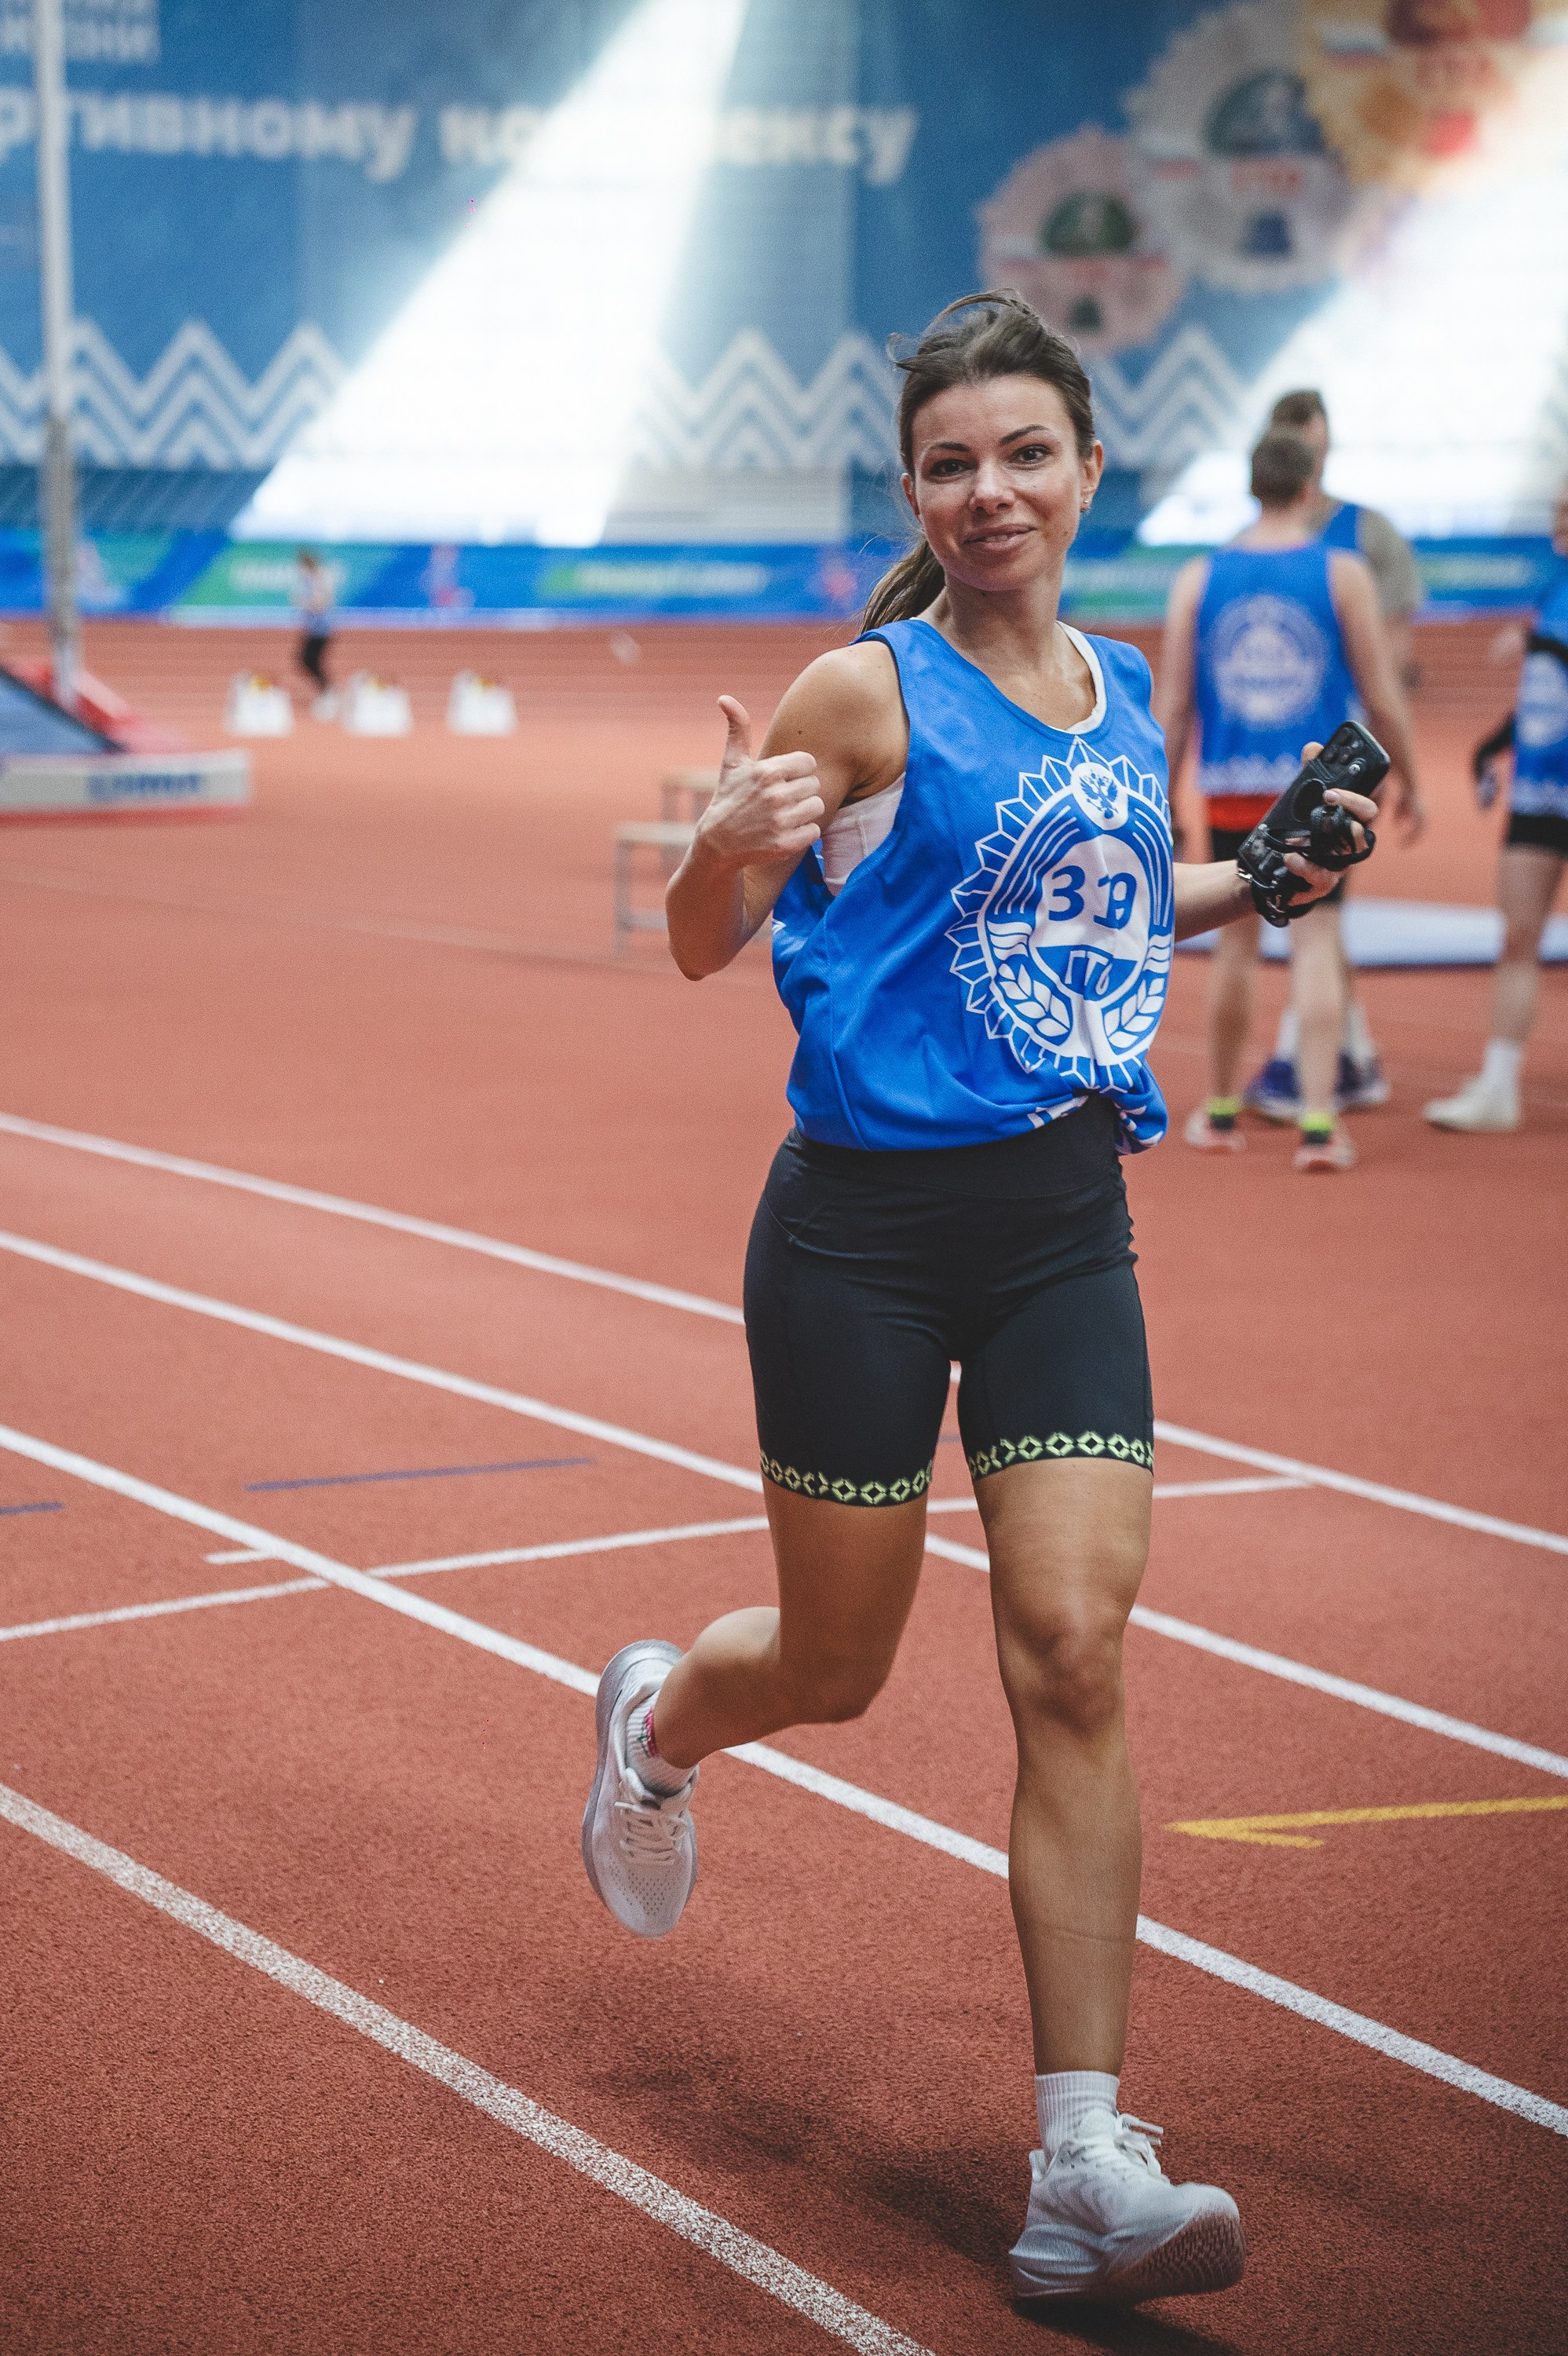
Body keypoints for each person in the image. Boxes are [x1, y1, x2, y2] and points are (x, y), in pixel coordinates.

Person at [579, 291, 1378, 2307]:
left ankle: (1079, 2163)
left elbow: (1098, 900)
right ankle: (658, 1724)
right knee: (834, 1666)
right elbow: (696, 942)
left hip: (1059, 1232)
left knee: (1074, 1651)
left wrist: (1264, 876)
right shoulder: (860, 690)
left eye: (1024, 453)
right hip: (857, 1238)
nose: (989, 489)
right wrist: (718, 845)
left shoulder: (1117, 686)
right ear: (914, 491)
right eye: (950, 463)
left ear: (1087, 469)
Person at [1157, 427, 1422, 1171]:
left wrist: (1160, 800)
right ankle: (1316, 1125)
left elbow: (1173, 705)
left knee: (1234, 943)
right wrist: (1411, 779)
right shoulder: (1342, 573)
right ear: (1311, 488)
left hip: (1228, 786)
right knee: (1316, 939)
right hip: (1317, 790)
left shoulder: (1198, 578)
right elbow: (1381, 693)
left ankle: (1218, 1112)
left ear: (1252, 486)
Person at [1245, 387, 1426, 1117]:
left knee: (1312, 913)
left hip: (1342, 758)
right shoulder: (1248, 546)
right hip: (1260, 758)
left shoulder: (1366, 537)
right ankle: (1350, 1056)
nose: (1302, 454)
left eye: (1309, 441)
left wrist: (1396, 758)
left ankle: (1303, 1062)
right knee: (1307, 915)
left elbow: (1394, 657)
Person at [1426, 477, 1568, 1132]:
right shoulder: (1551, 589)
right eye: (1556, 509)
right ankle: (1498, 1084)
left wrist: (1540, 645)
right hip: (1538, 792)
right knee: (1516, 933)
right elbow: (1546, 695)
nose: (1558, 521)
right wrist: (1493, 745)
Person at [293, 549, 336, 715]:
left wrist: (303, 602)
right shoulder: (313, 579)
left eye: (299, 567)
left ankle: (329, 692)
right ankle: (327, 692)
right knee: (308, 661)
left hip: (321, 629)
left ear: (305, 566)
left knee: (308, 661)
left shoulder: (314, 580)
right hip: (316, 629)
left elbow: (321, 604)